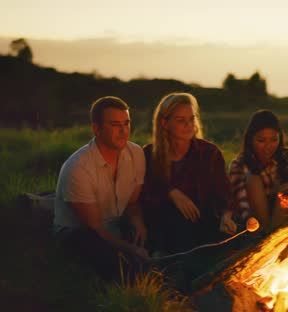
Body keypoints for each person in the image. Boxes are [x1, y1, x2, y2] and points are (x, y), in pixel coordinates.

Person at [53, 96, 148, 280]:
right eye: (115, 125)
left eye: (126, 123)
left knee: (156, 228)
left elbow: (133, 202)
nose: (123, 131)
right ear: (97, 129)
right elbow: (95, 227)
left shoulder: (136, 153)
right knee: (115, 263)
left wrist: (139, 223)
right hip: (80, 231)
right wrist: (131, 248)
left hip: (116, 223)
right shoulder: (78, 167)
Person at [140, 92, 231, 255]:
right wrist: (171, 192)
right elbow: (143, 195)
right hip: (162, 229)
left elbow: (224, 193)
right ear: (164, 123)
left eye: (191, 119)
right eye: (181, 120)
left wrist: (227, 215)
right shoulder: (148, 154)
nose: (188, 125)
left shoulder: (209, 153)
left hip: (202, 226)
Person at [226, 109, 288, 234]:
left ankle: (271, 234)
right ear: (251, 139)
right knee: (253, 179)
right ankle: (265, 235)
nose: (268, 146)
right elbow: (241, 201)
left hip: (283, 219)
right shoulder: (239, 164)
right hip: (254, 223)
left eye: (274, 140)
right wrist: (249, 219)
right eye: (261, 141)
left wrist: (281, 191)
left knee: (287, 188)